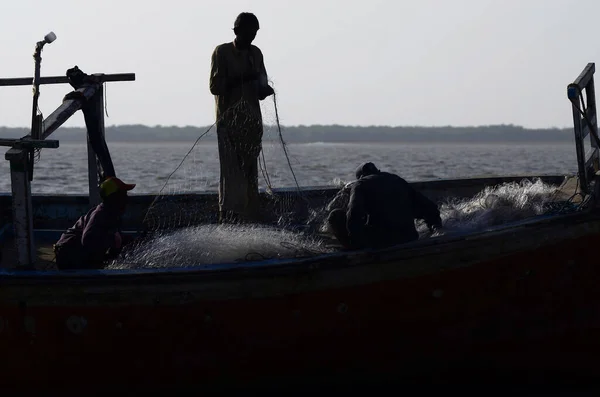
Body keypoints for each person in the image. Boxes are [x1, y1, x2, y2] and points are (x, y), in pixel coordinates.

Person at [209, 12, 275, 223]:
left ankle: (249, 218)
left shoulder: (256, 54)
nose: (252, 37)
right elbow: (215, 87)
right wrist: (244, 78)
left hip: (251, 126)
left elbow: (260, 88)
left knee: (249, 176)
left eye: (255, 33)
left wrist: (265, 90)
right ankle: (228, 218)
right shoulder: (222, 52)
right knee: (231, 175)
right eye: (248, 32)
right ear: (237, 31)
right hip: (229, 125)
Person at [326, 162, 442, 250]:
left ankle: (354, 249)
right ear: (378, 171)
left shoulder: (360, 184)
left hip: (381, 242)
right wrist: (435, 229)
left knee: (335, 215)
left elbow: (354, 215)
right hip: (409, 238)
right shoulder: (397, 180)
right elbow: (429, 207)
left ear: (361, 177)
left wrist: (355, 241)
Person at [53, 177, 135, 270]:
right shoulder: (100, 214)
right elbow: (87, 239)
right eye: (124, 194)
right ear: (114, 197)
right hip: (68, 256)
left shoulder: (112, 214)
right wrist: (112, 239)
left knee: (126, 241)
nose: (127, 199)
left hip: (77, 252)